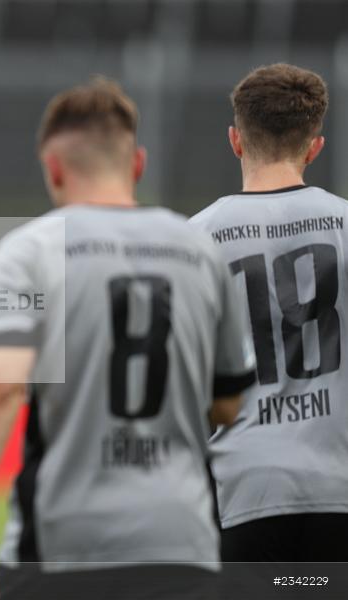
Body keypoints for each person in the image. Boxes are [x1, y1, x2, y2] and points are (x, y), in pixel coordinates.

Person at [0, 78, 255, 600]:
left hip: (63, 546)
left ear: (53, 169)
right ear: (138, 164)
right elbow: (226, 404)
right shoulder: (199, 250)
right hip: (181, 542)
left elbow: (2, 387)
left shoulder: (31, 249)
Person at [190, 64, 348, 574]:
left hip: (242, 488)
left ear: (235, 140)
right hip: (338, 485)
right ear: (315, 146)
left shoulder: (194, 240)